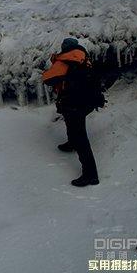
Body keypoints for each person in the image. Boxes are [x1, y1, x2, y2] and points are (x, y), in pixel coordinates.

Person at [42, 38, 99, 187]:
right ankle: (71, 143)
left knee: (81, 138)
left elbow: (47, 79)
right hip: (86, 101)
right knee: (72, 123)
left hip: (73, 103)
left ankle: (90, 175)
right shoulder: (84, 58)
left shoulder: (64, 61)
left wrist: (51, 67)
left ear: (64, 48)